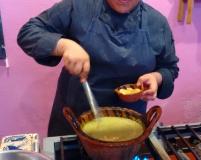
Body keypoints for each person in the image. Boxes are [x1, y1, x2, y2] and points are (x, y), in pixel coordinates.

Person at [17, 0, 179, 137]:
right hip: (73, 123)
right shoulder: (78, 7)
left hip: (129, 127)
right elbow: (28, 32)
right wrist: (64, 45)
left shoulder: (157, 23)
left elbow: (169, 68)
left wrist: (157, 78)